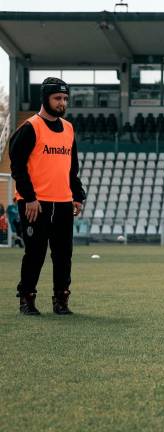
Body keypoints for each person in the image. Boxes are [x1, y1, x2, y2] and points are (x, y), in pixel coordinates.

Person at [9, 77, 86, 315]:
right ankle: (27, 299)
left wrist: (77, 195)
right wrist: (29, 197)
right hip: (36, 204)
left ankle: (61, 300)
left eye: (65, 98)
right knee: (35, 253)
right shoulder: (30, 127)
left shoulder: (69, 128)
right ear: (45, 98)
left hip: (63, 202)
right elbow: (18, 167)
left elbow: (72, 168)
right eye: (57, 98)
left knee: (64, 254)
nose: (62, 102)